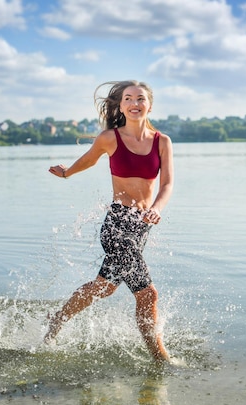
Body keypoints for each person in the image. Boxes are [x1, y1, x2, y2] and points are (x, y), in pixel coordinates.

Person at [45, 80, 174, 364]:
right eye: (128, 98)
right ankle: (160, 359)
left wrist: (157, 209)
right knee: (148, 293)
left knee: (105, 286)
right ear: (120, 105)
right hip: (117, 224)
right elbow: (89, 160)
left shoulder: (162, 142)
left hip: (142, 227)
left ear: (149, 104)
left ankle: (56, 319)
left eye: (140, 98)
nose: (134, 103)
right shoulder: (110, 138)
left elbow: (166, 185)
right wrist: (66, 173)